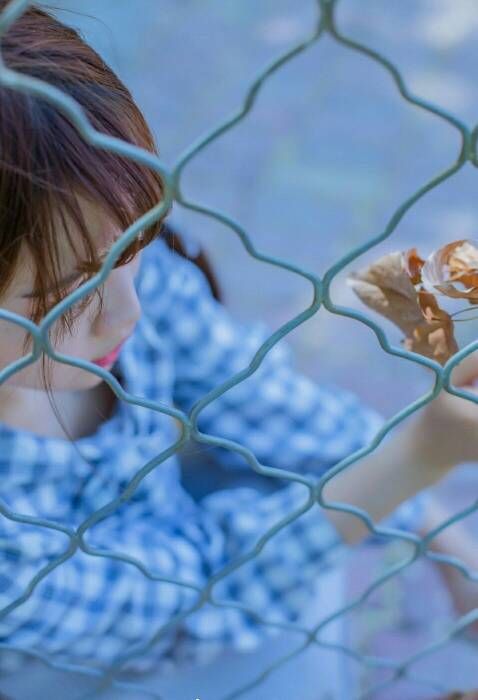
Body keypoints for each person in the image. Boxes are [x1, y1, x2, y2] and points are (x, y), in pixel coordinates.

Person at [0, 3, 477, 698]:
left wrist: (443, 540)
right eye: (62, 298)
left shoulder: (136, 285)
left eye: (134, 243)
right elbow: (192, 608)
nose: (129, 312)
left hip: (199, 559)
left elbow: (269, 406)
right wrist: (416, 457)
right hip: (94, 658)